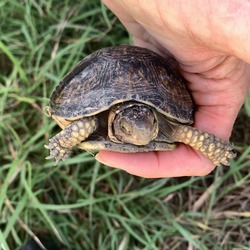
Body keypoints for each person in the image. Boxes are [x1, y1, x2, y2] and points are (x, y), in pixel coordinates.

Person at [96, 0, 250, 178]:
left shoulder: (168, 127)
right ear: (114, 121)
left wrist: (216, 150)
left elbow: (189, 133)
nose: (142, 137)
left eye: (151, 124)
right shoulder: (96, 119)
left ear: (155, 121)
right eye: (127, 128)